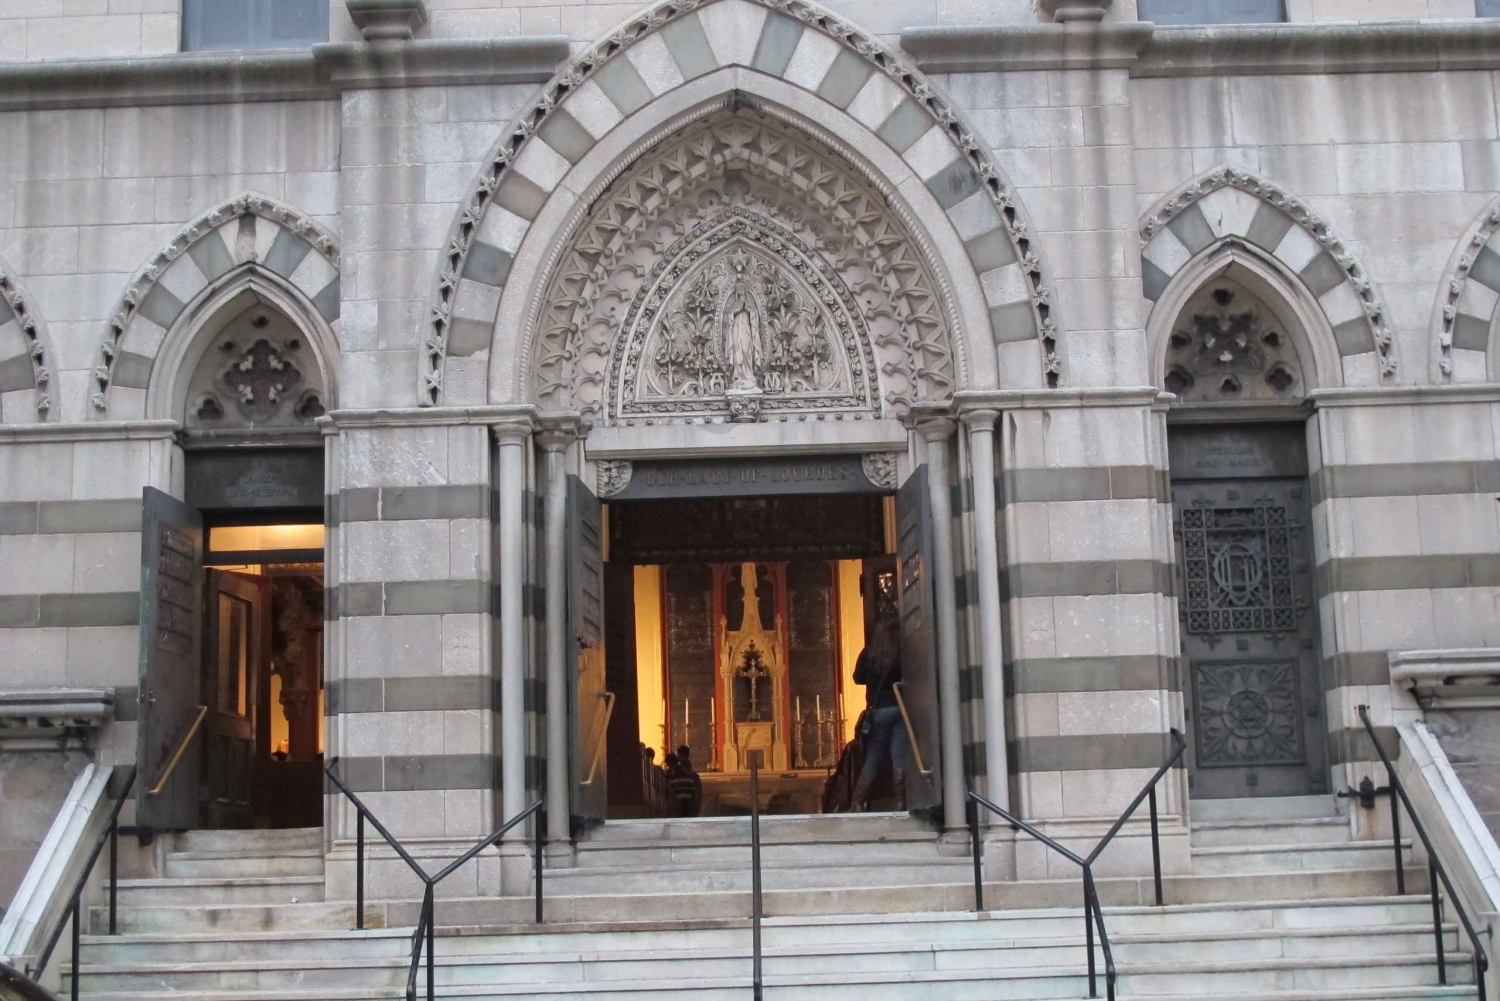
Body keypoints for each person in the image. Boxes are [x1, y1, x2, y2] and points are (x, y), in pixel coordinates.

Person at [849, 618, 907, 811]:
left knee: (873, 756)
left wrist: (872, 678)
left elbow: (857, 678)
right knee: (898, 755)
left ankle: (857, 801)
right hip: (900, 708)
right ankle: (900, 802)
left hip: (879, 709)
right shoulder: (901, 652)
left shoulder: (869, 652)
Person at [668, 746, 703, 817]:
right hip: (690, 803)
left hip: (682, 804)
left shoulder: (679, 773)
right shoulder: (694, 775)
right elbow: (698, 791)